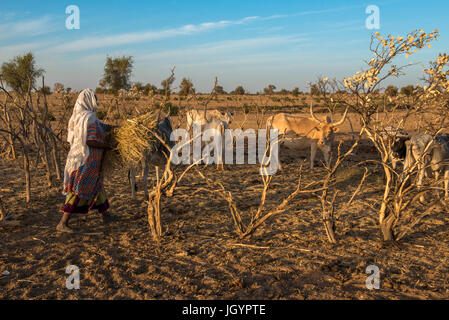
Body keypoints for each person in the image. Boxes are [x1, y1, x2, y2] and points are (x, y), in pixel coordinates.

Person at [57, 89, 117, 233]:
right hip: (86, 159)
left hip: (87, 158)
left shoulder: (81, 116)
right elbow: (89, 141)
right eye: (94, 98)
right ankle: (62, 223)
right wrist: (108, 146)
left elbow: (102, 126)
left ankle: (105, 214)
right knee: (79, 188)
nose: (97, 100)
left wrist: (120, 128)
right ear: (87, 100)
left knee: (97, 185)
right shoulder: (88, 117)